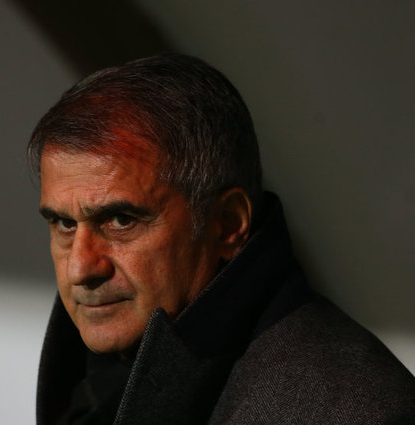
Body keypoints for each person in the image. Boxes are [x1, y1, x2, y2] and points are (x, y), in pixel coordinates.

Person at [27, 53, 415, 424]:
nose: (80, 268)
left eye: (121, 220)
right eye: (64, 224)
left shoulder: (354, 411)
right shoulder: (96, 381)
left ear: (227, 225)